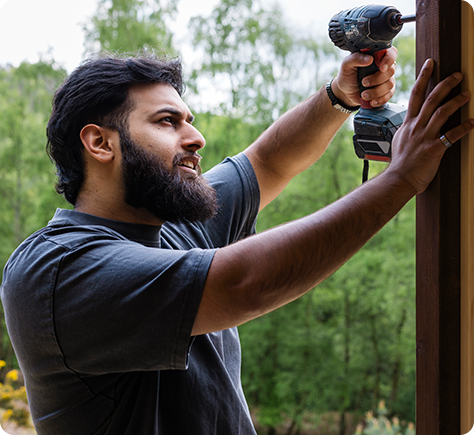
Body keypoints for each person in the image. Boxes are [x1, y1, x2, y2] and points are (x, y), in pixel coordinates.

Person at [1, 47, 473, 435]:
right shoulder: (56, 269)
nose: (197, 137)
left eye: (190, 119)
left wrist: (338, 96)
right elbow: (244, 282)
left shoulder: (175, 227)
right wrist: (401, 178)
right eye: (168, 122)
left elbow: (268, 160)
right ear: (100, 143)